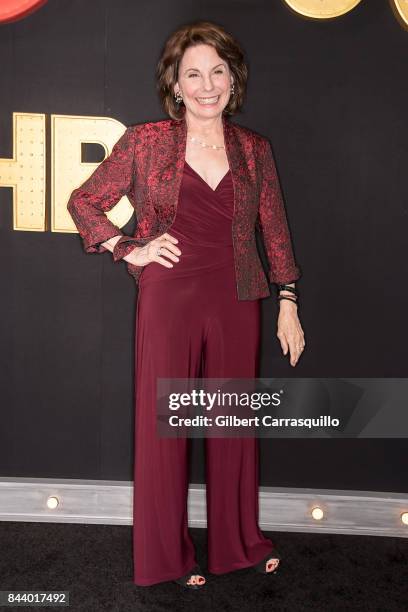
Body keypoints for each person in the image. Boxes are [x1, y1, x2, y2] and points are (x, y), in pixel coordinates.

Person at [67, 20, 305, 590]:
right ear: (175, 84)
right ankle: (167, 558)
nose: (206, 85)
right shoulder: (146, 142)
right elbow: (85, 201)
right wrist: (130, 246)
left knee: (231, 427)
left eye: (217, 71)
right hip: (169, 296)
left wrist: (288, 300)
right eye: (193, 73)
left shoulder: (254, 150)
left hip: (237, 297)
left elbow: (273, 230)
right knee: (167, 430)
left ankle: (237, 546)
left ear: (233, 79)